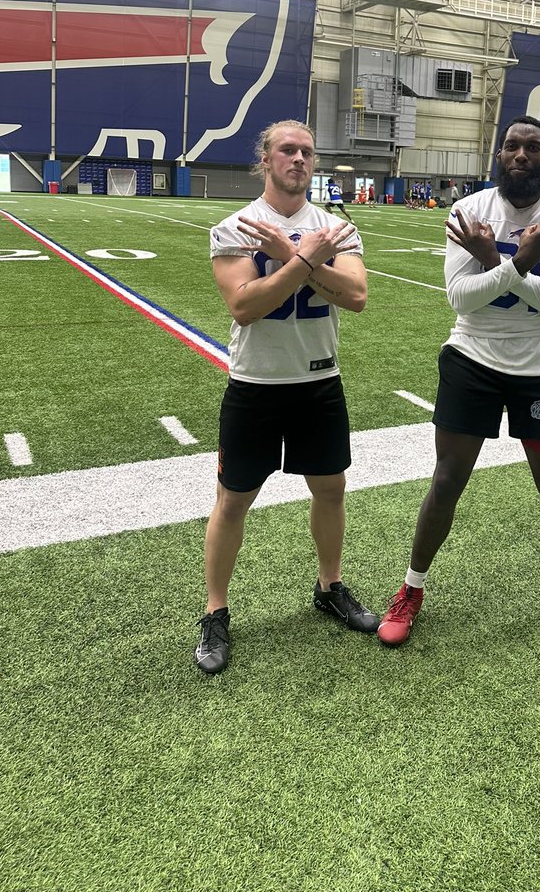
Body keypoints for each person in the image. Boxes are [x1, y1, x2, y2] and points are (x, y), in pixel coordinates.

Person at [377, 115, 540, 649]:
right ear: (497, 155)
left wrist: (497, 263)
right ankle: (412, 589)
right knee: (447, 479)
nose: (520, 155)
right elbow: (460, 298)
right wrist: (519, 261)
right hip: (471, 358)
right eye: (510, 146)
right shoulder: (467, 210)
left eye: (531, 147)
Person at [195, 120, 378, 674]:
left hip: (319, 380)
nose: (297, 159)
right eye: (286, 150)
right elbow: (245, 307)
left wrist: (298, 257)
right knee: (233, 500)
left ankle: (329, 586)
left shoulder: (335, 228)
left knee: (331, 490)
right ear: (266, 159)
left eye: (306, 151)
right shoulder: (237, 226)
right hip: (255, 384)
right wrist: (304, 260)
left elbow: (357, 296)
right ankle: (215, 610)